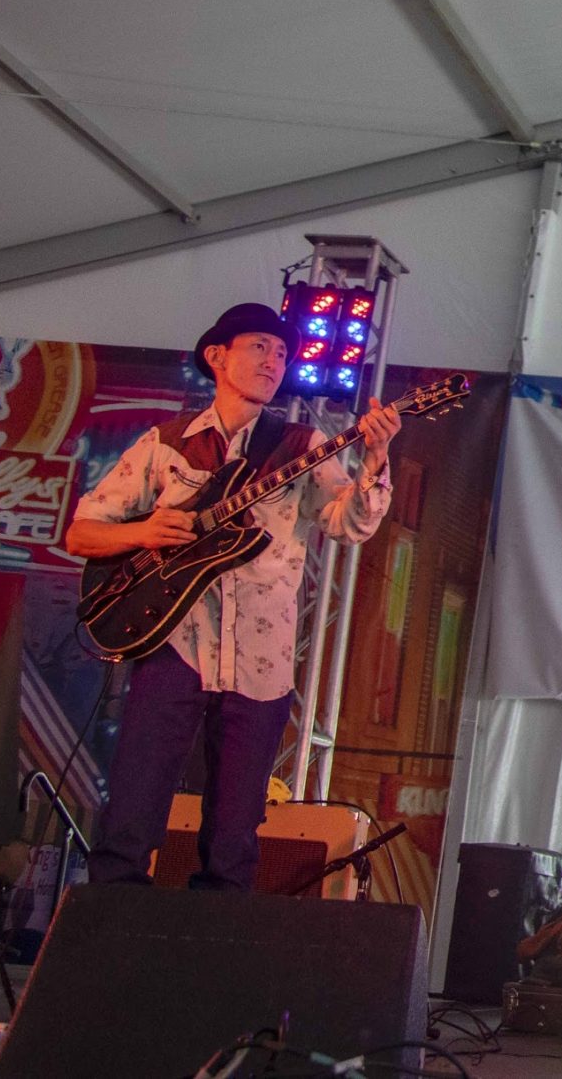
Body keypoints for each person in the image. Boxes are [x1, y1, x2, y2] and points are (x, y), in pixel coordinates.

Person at [68, 302, 400, 891]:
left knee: (234, 836)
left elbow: (348, 523)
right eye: (260, 348)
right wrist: (144, 531)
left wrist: (376, 459)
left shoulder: (301, 442)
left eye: (282, 353)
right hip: (175, 643)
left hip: (261, 659)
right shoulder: (166, 443)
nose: (274, 360)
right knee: (132, 811)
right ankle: (109, 942)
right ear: (218, 357)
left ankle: (214, 956)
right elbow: (83, 532)